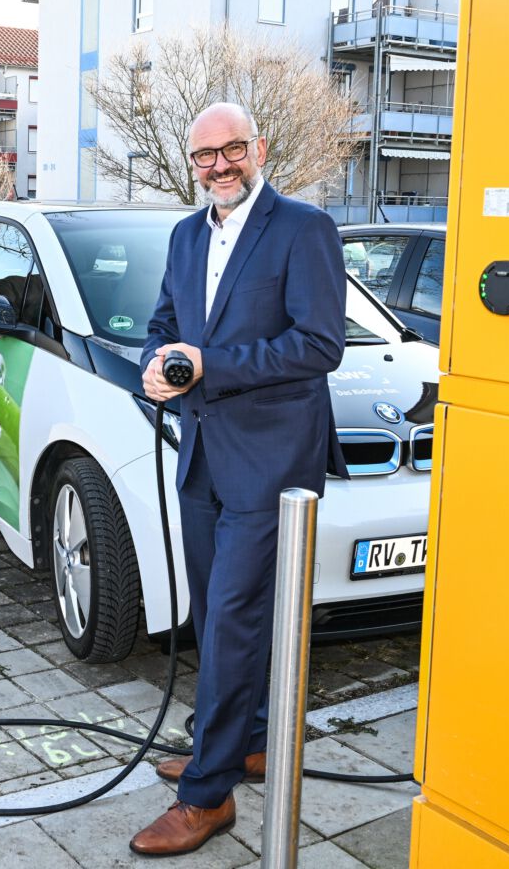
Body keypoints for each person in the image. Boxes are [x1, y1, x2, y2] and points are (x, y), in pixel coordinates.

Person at [129, 103, 348, 855]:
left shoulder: (302, 228)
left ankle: (208, 793)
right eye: (203, 156)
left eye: (230, 151)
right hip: (203, 455)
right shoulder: (188, 235)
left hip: (272, 463)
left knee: (230, 619)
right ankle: (248, 740)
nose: (218, 166)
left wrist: (207, 367)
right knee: (218, 615)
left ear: (258, 148)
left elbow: (319, 345)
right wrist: (155, 370)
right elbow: (164, 326)